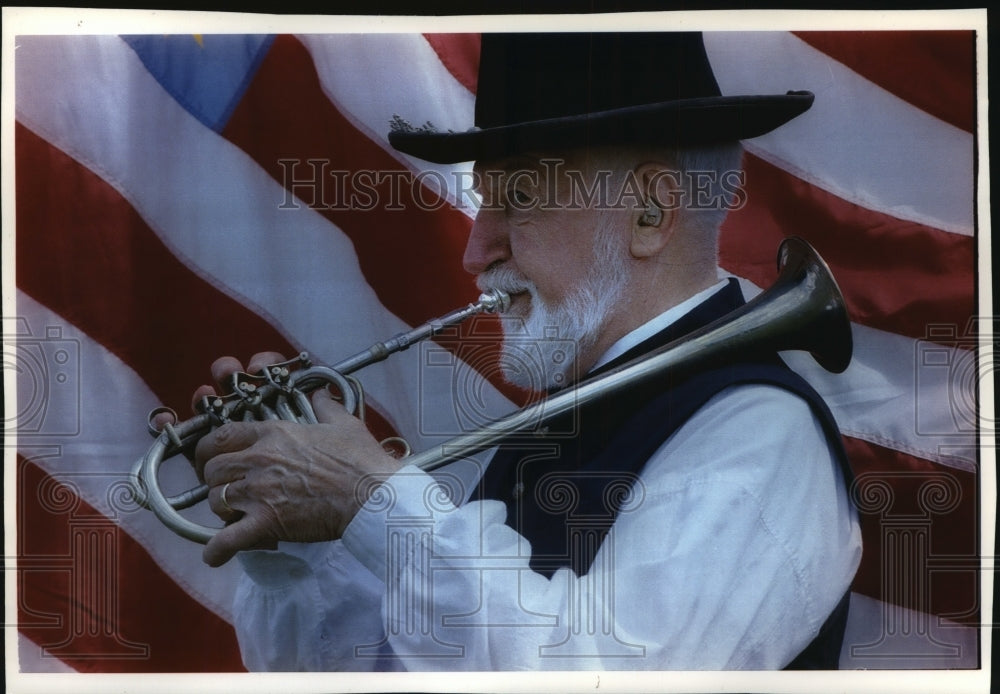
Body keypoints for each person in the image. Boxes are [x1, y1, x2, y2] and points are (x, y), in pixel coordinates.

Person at [191, 32, 862, 670]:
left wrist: (372, 496)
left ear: (650, 214)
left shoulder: (761, 433)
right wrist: (292, 546)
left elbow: (595, 669)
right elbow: (397, 668)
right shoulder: (568, 417)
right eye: (484, 202)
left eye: (518, 197)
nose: (474, 252)